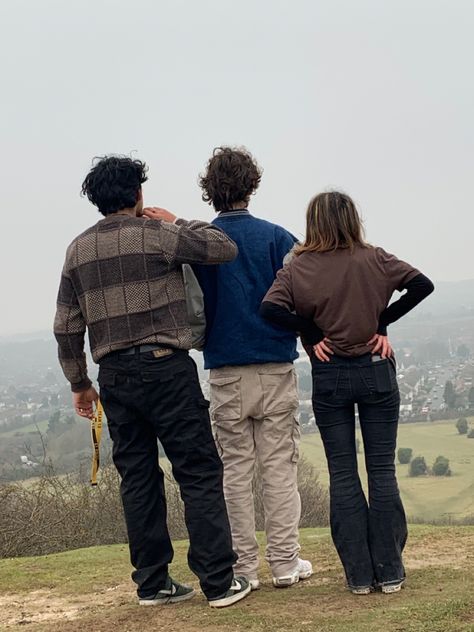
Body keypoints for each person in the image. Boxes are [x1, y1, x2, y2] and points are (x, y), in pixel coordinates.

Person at [53, 155, 251, 608]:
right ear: (138, 195)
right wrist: (176, 220)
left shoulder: (77, 251)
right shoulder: (158, 235)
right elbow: (223, 247)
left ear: (97, 201)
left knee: (137, 478)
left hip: (116, 376)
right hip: (167, 367)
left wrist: (80, 383)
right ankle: (219, 582)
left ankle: (153, 583)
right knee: (198, 471)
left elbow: (66, 325)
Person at [260, 191, 434, 595]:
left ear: (313, 222)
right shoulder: (374, 257)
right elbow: (422, 284)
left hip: (331, 374)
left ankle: (358, 575)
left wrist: (311, 332)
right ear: (352, 218)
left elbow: (269, 309)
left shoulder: (299, 267)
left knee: (343, 474)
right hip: (376, 372)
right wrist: (380, 322)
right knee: (382, 471)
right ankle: (390, 571)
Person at [187, 146, 314, 590]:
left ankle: (243, 567)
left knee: (234, 473)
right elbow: (305, 290)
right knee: (279, 466)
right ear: (252, 184)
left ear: (210, 190)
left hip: (224, 369)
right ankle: (284, 562)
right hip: (275, 364)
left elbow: (193, 308)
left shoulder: (201, 244)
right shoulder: (279, 239)